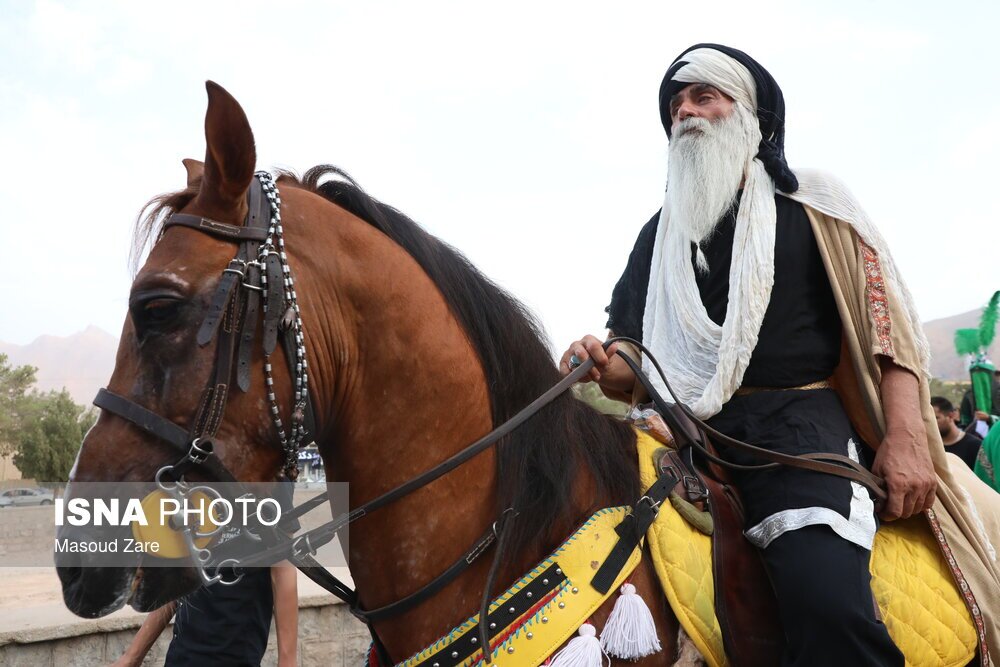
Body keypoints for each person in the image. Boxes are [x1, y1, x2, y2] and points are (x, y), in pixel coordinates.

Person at [561, 43, 1000, 664]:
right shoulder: (657, 238)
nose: (683, 111)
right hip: (680, 432)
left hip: (798, 432)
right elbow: (634, 352)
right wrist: (606, 363)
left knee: (822, 597)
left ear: (752, 115)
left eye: (703, 96)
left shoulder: (817, 207)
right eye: (674, 104)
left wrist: (905, 438)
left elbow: (888, 333)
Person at [113, 483, 300, 667]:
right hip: (181, 655)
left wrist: (287, 661)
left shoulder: (268, 476)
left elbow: (283, 569)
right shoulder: (197, 477)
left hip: (235, 652)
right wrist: (132, 657)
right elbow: (178, 581)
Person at [932, 396, 982, 470]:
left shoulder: (975, 445)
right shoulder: (928, 447)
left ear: (951, 416)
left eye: (935, 418)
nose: (931, 423)